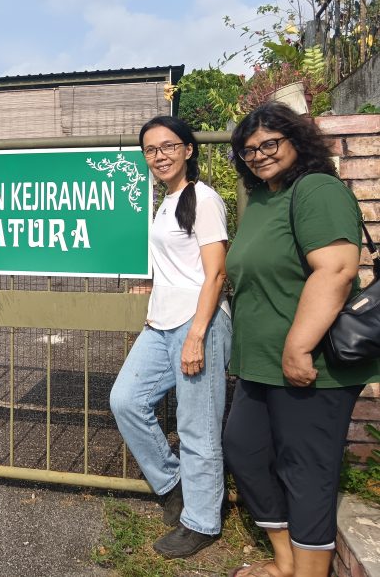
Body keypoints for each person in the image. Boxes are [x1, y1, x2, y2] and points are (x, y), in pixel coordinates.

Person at [223, 101, 380, 577]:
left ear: (298, 140)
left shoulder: (315, 189)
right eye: (248, 150)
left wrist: (298, 347)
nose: (259, 155)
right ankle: (286, 562)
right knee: (245, 449)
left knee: (306, 471)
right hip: (258, 363)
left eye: (270, 143)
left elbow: (335, 269)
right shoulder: (263, 200)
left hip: (309, 363)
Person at [110, 115, 232, 559]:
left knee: (197, 427)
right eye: (150, 150)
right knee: (125, 400)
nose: (159, 156)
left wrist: (197, 335)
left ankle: (202, 521)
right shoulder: (167, 201)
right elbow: (177, 265)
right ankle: (173, 482)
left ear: (188, 150)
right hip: (160, 323)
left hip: (197, 323)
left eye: (167, 147)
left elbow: (215, 272)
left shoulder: (204, 198)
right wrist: (153, 287)